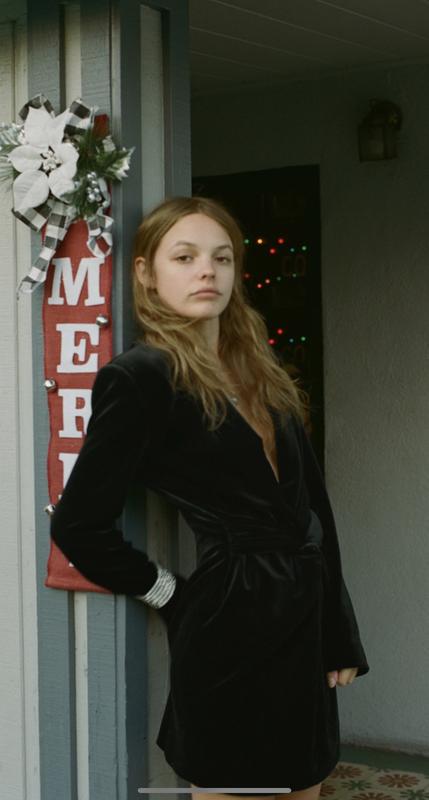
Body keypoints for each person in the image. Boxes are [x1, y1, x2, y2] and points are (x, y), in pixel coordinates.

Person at [50, 195, 370, 800]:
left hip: (303, 623)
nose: (208, 271)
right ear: (146, 272)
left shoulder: (261, 368)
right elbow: (78, 526)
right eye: (185, 257)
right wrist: (172, 595)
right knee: (234, 785)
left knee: (306, 785)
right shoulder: (141, 377)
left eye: (222, 258)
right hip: (228, 625)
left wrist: (339, 631)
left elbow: (314, 511)